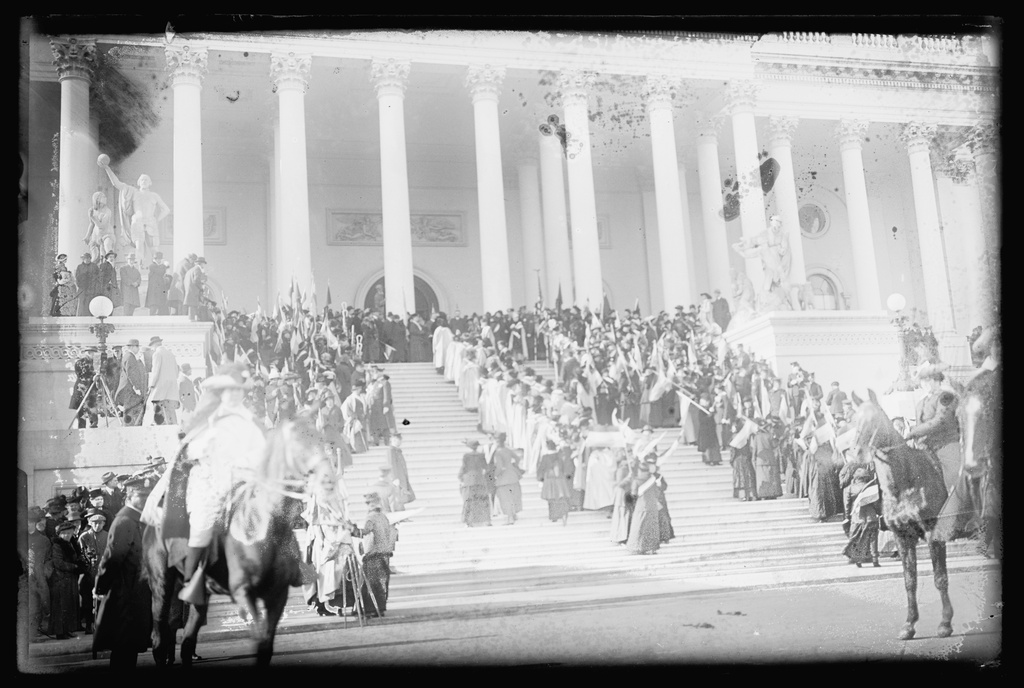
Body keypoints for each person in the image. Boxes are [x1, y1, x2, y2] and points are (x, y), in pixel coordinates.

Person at [171, 363, 265, 604]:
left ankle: (283, 568)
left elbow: (261, 451)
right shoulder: (209, 418)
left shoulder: (250, 420)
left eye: (238, 391)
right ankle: (191, 579)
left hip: (244, 479)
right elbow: (190, 450)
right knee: (203, 522)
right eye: (229, 390)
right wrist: (208, 447)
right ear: (221, 393)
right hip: (211, 481)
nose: (234, 395)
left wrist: (243, 463)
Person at [93, 475, 154, 669]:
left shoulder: (137, 519)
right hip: (124, 594)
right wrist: (100, 587)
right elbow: (112, 558)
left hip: (136, 593)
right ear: (130, 497)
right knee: (123, 648)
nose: (146, 500)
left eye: (148, 496)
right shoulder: (125, 520)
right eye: (141, 496)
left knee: (130, 647)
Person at [301, 463, 357, 617]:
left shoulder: (329, 494)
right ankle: (323, 604)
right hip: (322, 538)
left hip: (330, 537)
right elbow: (315, 518)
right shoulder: (318, 496)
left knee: (337, 573)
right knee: (322, 570)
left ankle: (334, 604)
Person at [100, 161, 170, 267]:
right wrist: (107, 168)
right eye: (142, 179)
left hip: (151, 223)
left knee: (154, 249)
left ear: (150, 182)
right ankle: (138, 270)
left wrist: (157, 219)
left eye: (146, 179)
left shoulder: (154, 195)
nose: (144, 181)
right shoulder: (133, 192)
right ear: (138, 182)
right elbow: (117, 184)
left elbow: (166, 210)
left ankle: (158, 270)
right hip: (137, 222)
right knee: (139, 247)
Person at [906, 363, 961, 492]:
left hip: (946, 444)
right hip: (926, 448)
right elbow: (920, 425)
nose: (923, 384)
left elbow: (939, 421)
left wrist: (913, 432)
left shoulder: (946, 397)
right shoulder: (920, 403)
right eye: (922, 380)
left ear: (936, 379)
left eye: (927, 380)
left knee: (955, 478)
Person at [353, 492, 396, 617]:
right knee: (382, 583)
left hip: (374, 554)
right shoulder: (383, 517)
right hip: (384, 554)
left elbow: (365, 531)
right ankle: (380, 608)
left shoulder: (371, 517)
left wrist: (352, 530)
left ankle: (371, 609)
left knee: (371, 583)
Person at [48, 521, 86, 639]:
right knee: (61, 606)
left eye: (69, 533)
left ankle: (67, 629)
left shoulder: (72, 544)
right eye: (64, 533)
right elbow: (58, 563)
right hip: (60, 580)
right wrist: (74, 567)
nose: (67, 536)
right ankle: (60, 632)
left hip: (70, 579)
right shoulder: (57, 545)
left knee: (69, 605)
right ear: (59, 534)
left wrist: (80, 564)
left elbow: (76, 558)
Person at [77, 508, 108, 634]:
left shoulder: (108, 535)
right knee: (87, 602)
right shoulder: (84, 537)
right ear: (89, 523)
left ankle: (101, 626)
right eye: (94, 523)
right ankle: (89, 624)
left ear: (104, 524)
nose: (97, 525)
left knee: (102, 602)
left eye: (100, 523)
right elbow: (80, 555)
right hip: (88, 574)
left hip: (103, 574)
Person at [626, 458, 662, 555]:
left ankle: (637, 547)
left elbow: (633, 495)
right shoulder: (652, 480)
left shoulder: (636, 481)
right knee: (652, 527)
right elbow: (657, 493)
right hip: (652, 506)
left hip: (641, 507)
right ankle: (651, 548)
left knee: (638, 527)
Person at [27, 507, 53, 639]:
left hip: (40, 576)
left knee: (43, 602)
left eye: (30, 522)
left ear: (35, 523)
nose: (28, 525)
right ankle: (30, 633)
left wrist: (46, 573)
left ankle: (39, 629)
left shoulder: (44, 540)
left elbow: (49, 560)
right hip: (24, 577)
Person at [537, 439, 572, 525]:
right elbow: (565, 467)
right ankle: (562, 513)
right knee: (560, 497)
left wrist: (540, 478)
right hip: (560, 479)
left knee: (551, 498)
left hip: (549, 479)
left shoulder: (545, 457)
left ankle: (554, 516)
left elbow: (541, 468)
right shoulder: (559, 456)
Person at [458, 440, 492, 527]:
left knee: (468, 500)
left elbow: (464, 468)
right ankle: (487, 520)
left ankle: (468, 522)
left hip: (469, 480)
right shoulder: (481, 455)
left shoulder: (466, 456)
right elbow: (486, 467)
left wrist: (461, 477)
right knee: (483, 500)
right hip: (480, 479)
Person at [115, 339, 147, 426]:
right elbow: (131, 374)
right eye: (137, 346)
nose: (138, 349)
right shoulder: (130, 357)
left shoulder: (128, 356)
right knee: (132, 411)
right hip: (130, 390)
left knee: (130, 411)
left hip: (128, 389)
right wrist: (136, 388)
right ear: (132, 347)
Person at [148, 336, 180, 425]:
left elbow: (156, 371)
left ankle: (159, 427)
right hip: (172, 388)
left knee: (159, 410)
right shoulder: (171, 354)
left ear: (154, 345)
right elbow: (176, 373)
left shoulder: (157, 354)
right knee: (171, 412)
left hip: (160, 388)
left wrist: (151, 385)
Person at [70, 352, 100, 429]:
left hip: (85, 392)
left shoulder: (84, 362)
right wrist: (93, 376)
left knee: (85, 418)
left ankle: (90, 427)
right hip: (83, 391)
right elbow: (83, 375)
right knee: (86, 417)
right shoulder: (83, 363)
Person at [386, 434, 416, 509]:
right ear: (393, 440)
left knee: (401, 497)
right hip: (397, 478)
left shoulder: (397, 450)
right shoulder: (391, 450)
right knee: (398, 498)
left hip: (401, 477)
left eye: (400, 440)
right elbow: (391, 464)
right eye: (397, 440)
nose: (399, 442)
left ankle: (402, 516)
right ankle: (399, 517)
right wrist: (394, 478)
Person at [342, 380, 370, 454]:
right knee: (356, 434)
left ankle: (364, 448)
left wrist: (365, 414)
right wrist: (353, 415)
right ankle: (357, 449)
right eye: (357, 389)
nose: (359, 390)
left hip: (362, 419)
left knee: (363, 433)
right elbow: (346, 409)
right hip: (355, 420)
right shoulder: (350, 398)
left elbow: (365, 407)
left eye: (360, 389)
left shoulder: (362, 397)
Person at [74, 252, 101, 316]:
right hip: (83, 288)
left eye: (88, 258)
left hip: (92, 288)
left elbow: (98, 276)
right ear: (83, 259)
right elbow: (77, 278)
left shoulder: (94, 266)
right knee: (82, 303)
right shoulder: (79, 267)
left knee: (91, 303)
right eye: (85, 258)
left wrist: (95, 285)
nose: (87, 260)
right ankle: (80, 317)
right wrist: (81, 285)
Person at [183, 257, 208, 321]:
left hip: (190, 290)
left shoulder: (190, 270)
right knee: (193, 306)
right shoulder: (198, 269)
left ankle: (192, 319)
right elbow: (196, 280)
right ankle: (192, 319)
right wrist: (201, 287)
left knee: (192, 306)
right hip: (194, 291)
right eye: (204, 264)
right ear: (201, 264)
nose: (204, 265)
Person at [178, 362, 197, 427]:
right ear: (186, 370)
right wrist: (191, 408)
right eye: (190, 369)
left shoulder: (185, 380)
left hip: (188, 408)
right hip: (188, 409)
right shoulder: (184, 381)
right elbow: (185, 397)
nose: (191, 370)